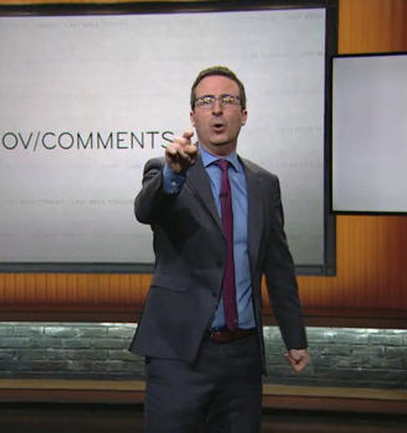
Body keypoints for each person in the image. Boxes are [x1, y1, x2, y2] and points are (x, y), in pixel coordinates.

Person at [130, 65, 310, 433]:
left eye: (227, 100)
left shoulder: (264, 184)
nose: (216, 109)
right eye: (206, 101)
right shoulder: (166, 172)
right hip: (179, 353)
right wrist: (172, 175)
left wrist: (295, 337)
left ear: (243, 115)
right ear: (192, 116)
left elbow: (278, 265)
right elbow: (146, 210)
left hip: (242, 358)